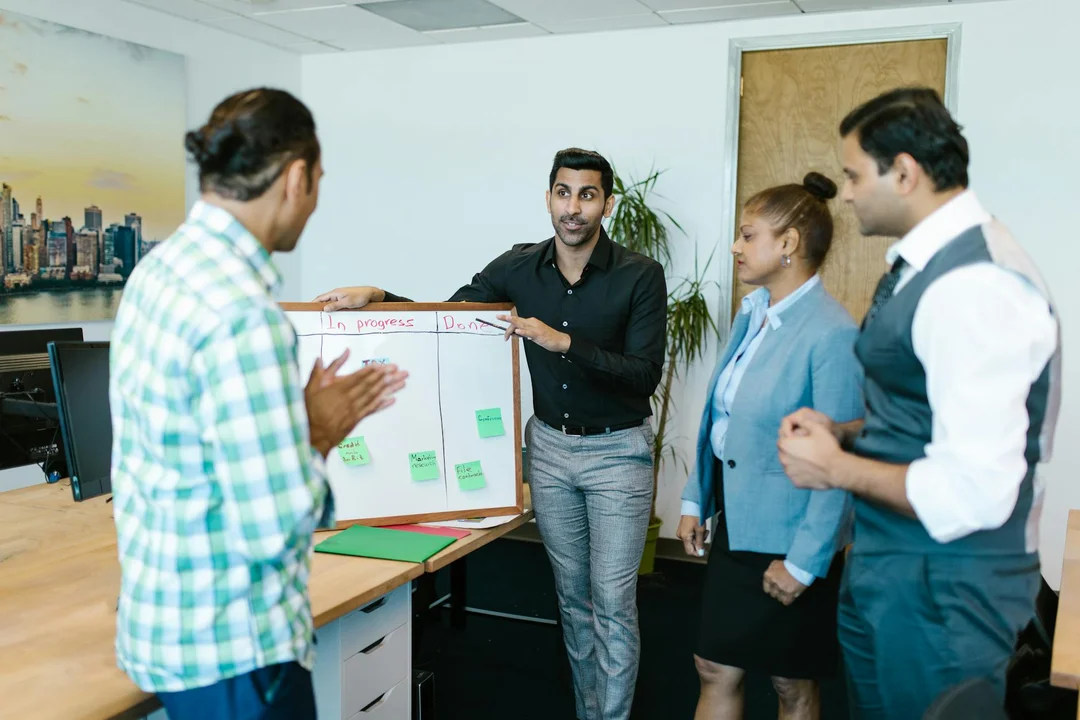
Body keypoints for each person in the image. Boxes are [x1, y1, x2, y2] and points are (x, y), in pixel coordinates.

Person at [314, 148, 667, 720]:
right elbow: (449, 318)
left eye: (587, 194)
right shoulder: (518, 267)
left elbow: (645, 373)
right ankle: (590, 711)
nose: (573, 208)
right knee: (574, 604)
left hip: (617, 454)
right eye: (563, 193)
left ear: (607, 202)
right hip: (549, 451)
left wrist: (562, 342)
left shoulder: (640, 276)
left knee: (613, 605)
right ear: (549, 195)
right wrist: (377, 296)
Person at [109, 88, 408, 719]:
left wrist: (283, 421)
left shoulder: (157, 273)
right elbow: (275, 525)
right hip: (238, 649)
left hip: (168, 629)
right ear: (297, 177)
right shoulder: (245, 314)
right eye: (320, 180)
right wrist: (318, 432)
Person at [777, 87, 1061, 719]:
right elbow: (923, 414)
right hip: (891, 561)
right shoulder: (919, 267)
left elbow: (977, 489)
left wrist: (835, 469)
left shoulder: (977, 286)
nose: (844, 192)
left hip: (945, 584)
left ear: (903, 171)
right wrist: (846, 433)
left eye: (854, 174)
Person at [676, 173, 863, 720]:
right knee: (712, 665)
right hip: (739, 527)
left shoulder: (831, 333)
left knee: (790, 684)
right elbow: (723, 413)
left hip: (796, 539)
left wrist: (805, 564)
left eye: (747, 234)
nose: (735, 246)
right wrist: (696, 498)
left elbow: (838, 462)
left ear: (788, 245)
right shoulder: (754, 311)